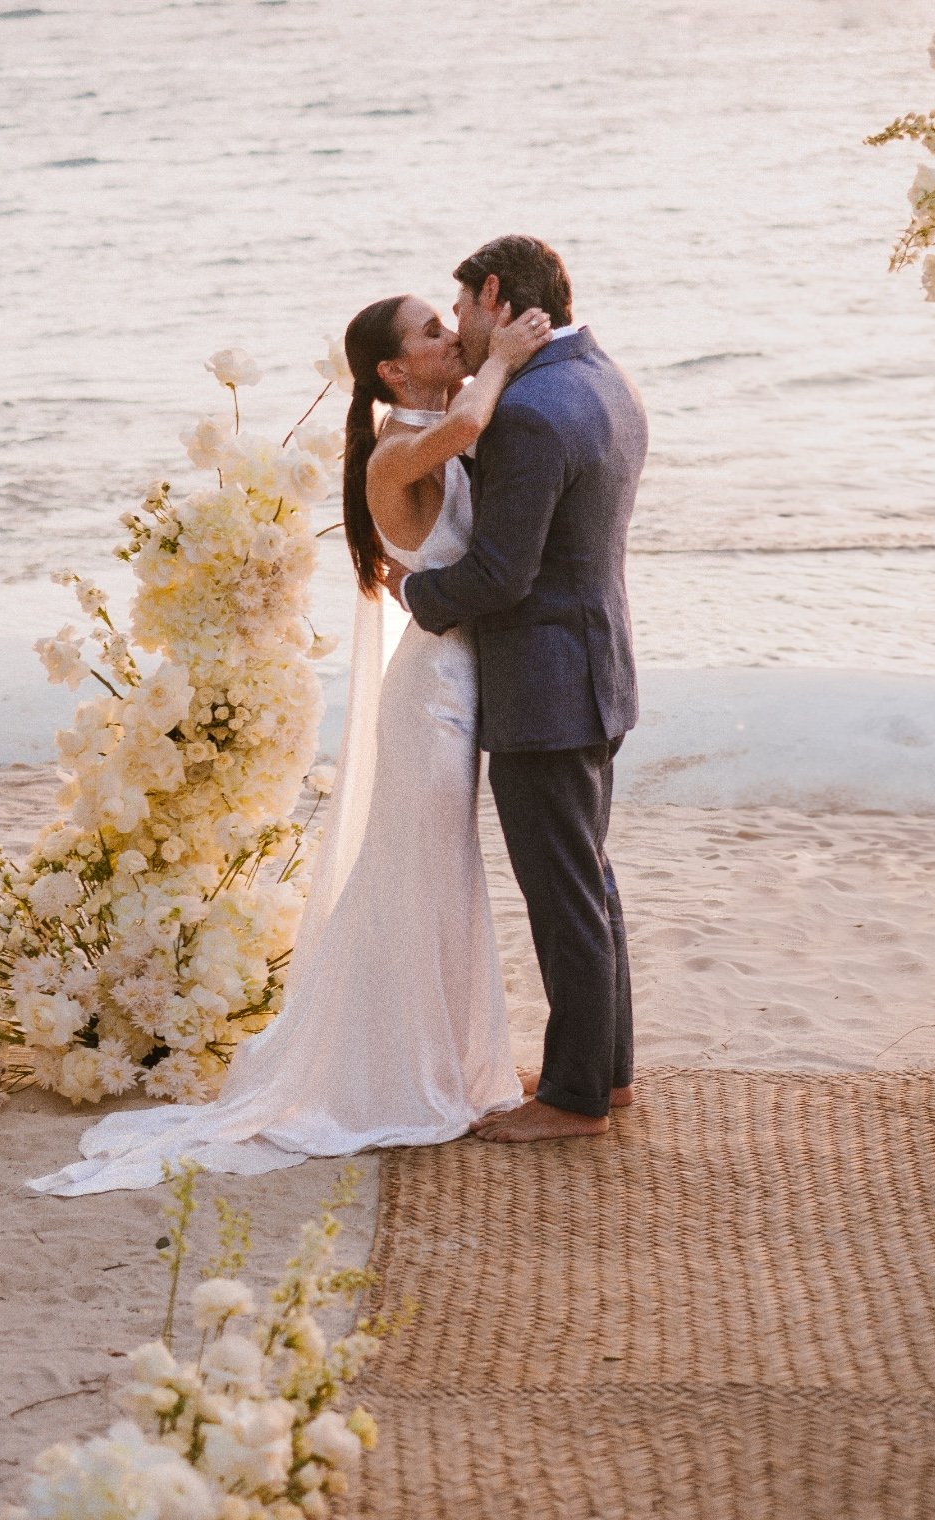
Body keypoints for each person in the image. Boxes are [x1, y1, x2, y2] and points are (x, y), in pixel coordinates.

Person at [29, 292, 552, 1193]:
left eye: (447, 323)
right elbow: (471, 419)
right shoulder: (397, 449)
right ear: (392, 371)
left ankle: (444, 1062)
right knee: (424, 876)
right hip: (433, 698)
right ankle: (404, 1075)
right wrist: (503, 354)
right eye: (432, 331)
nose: (450, 336)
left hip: (453, 682)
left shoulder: (424, 429)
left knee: (439, 878)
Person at [388, 234, 648, 1144]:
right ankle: (604, 1073)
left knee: (564, 891)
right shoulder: (603, 375)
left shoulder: (532, 412)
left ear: (493, 294)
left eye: (460, 309)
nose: (459, 330)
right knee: (589, 879)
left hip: (546, 683)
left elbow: (500, 574)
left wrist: (415, 592)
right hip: (598, 666)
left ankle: (574, 1099)